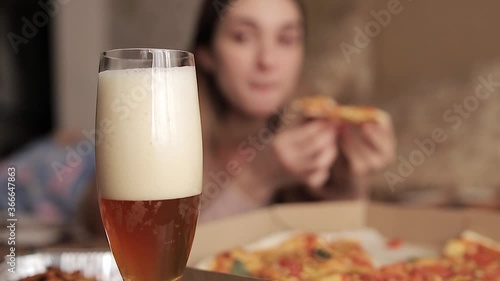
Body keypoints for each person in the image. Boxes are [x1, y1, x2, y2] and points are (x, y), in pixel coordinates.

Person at [192, 0, 396, 222]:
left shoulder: (318, 125)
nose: (267, 60)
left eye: (286, 39)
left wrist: (348, 182)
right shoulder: (172, 140)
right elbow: (175, 252)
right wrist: (259, 177)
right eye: (243, 37)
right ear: (206, 53)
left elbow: (340, 244)